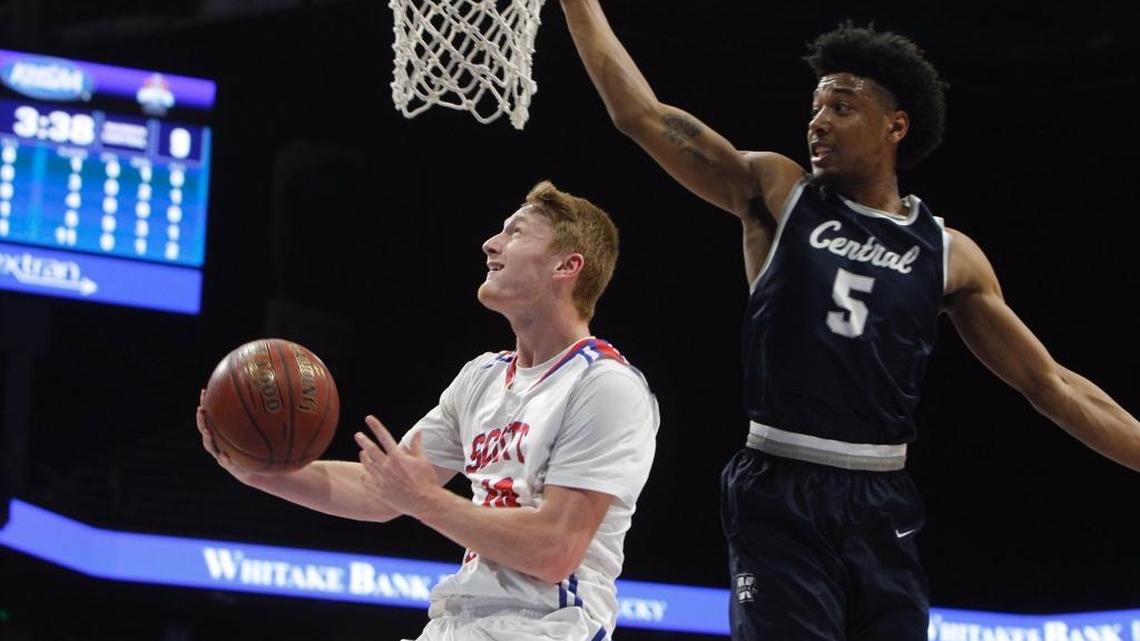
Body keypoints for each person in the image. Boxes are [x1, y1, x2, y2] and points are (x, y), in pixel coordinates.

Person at [556, 3, 1140, 640]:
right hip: (778, 487)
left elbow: (1051, 383)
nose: (818, 123)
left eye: (842, 106)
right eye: (816, 107)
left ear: (895, 126)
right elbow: (641, 116)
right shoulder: (779, 193)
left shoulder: (949, 254)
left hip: (881, 499)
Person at [197, 180, 659, 641]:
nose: (490, 244)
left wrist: (423, 499)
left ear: (567, 265)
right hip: (459, 624)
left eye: (516, 233)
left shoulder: (605, 385)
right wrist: (256, 471)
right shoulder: (481, 378)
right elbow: (381, 493)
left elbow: (555, 550)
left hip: (547, 626)